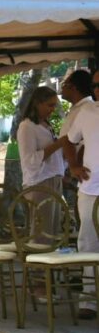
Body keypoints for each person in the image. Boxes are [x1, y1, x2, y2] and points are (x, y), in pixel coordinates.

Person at [60, 69, 99, 319]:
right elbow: (67, 140)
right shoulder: (87, 112)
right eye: (95, 84)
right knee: (88, 242)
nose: (97, 88)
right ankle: (89, 301)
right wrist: (73, 165)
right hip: (91, 189)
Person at [16, 86, 67, 243]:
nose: (52, 109)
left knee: (52, 231)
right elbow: (30, 160)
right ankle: (38, 266)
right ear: (38, 103)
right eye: (49, 105)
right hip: (40, 182)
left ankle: (48, 265)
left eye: (54, 105)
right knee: (41, 232)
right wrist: (58, 145)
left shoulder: (46, 124)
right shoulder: (27, 127)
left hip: (53, 180)